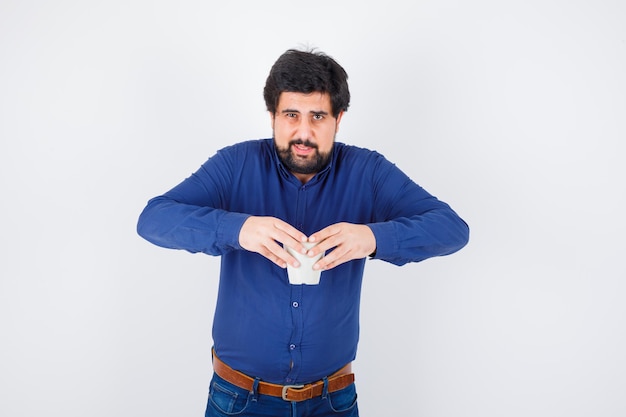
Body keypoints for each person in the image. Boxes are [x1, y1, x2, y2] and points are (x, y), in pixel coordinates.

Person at [137, 48, 469, 417]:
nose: (304, 133)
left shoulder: (368, 172)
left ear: (338, 119)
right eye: (291, 115)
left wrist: (372, 239)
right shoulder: (235, 165)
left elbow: (452, 228)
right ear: (273, 117)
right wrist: (239, 228)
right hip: (237, 399)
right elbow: (154, 219)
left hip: (333, 401)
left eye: (318, 117)